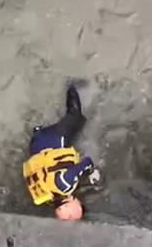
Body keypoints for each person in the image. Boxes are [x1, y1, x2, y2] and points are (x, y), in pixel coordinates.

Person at [22, 85, 98, 221]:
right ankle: (37, 129)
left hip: (51, 140)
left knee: (76, 117)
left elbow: (87, 162)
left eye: (80, 206)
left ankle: (71, 85)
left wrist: (92, 171)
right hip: (35, 146)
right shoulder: (45, 198)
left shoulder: (65, 184)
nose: (80, 202)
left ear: (69, 209)